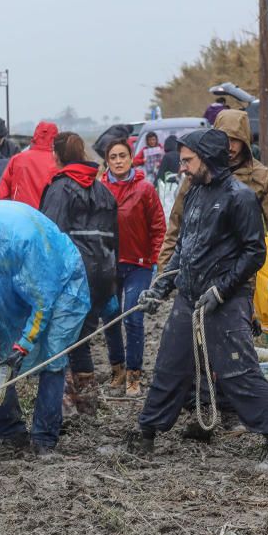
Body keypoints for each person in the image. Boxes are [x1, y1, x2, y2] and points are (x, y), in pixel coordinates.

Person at [134, 128, 268, 468]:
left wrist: (221, 290)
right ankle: (146, 432)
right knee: (170, 366)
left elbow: (254, 253)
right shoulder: (194, 193)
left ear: (208, 158)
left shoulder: (240, 197)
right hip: (189, 295)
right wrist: (162, 285)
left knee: (237, 370)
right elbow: (185, 249)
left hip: (226, 298)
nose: (183, 167)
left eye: (188, 160)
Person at [0, 203, 91, 459]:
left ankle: (44, 438)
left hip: (59, 286)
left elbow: (43, 302)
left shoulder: (23, 241)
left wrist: (23, 347)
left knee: (53, 354)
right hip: (0, 288)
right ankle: (11, 434)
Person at [159, 110, 268, 356]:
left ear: (245, 141)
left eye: (235, 140)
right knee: (193, 346)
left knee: (235, 344)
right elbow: (177, 228)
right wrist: (163, 275)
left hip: (239, 275)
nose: (230, 147)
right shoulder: (197, 174)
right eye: (224, 139)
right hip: (199, 273)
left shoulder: (260, 177)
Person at [38, 132, 118, 417]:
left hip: (73, 275)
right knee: (82, 339)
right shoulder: (103, 191)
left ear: (57, 155)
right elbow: (113, 236)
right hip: (102, 274)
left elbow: (49, 233)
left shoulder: (60, 189)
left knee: (58, 340)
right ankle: (89, 404)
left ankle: (64, 405)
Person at [99, 138, 166, 397]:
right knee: (111, 316)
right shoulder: (99, 189)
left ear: (131, 158)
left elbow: (159, 227)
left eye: (122, 156)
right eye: (113, 157)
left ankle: (135, 375)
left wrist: (156, 259)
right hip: (108, 265)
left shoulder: (145, 189)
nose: (118, 161)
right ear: (107, 161)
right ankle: (117, 368)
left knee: (133, 315)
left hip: (138, 264)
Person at [0, 121, 59, 207]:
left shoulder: (17, 159)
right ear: (56, 138)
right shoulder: (58, 162)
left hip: (21, 214)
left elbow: (0, 195)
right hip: (47, 216)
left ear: (35, 135)